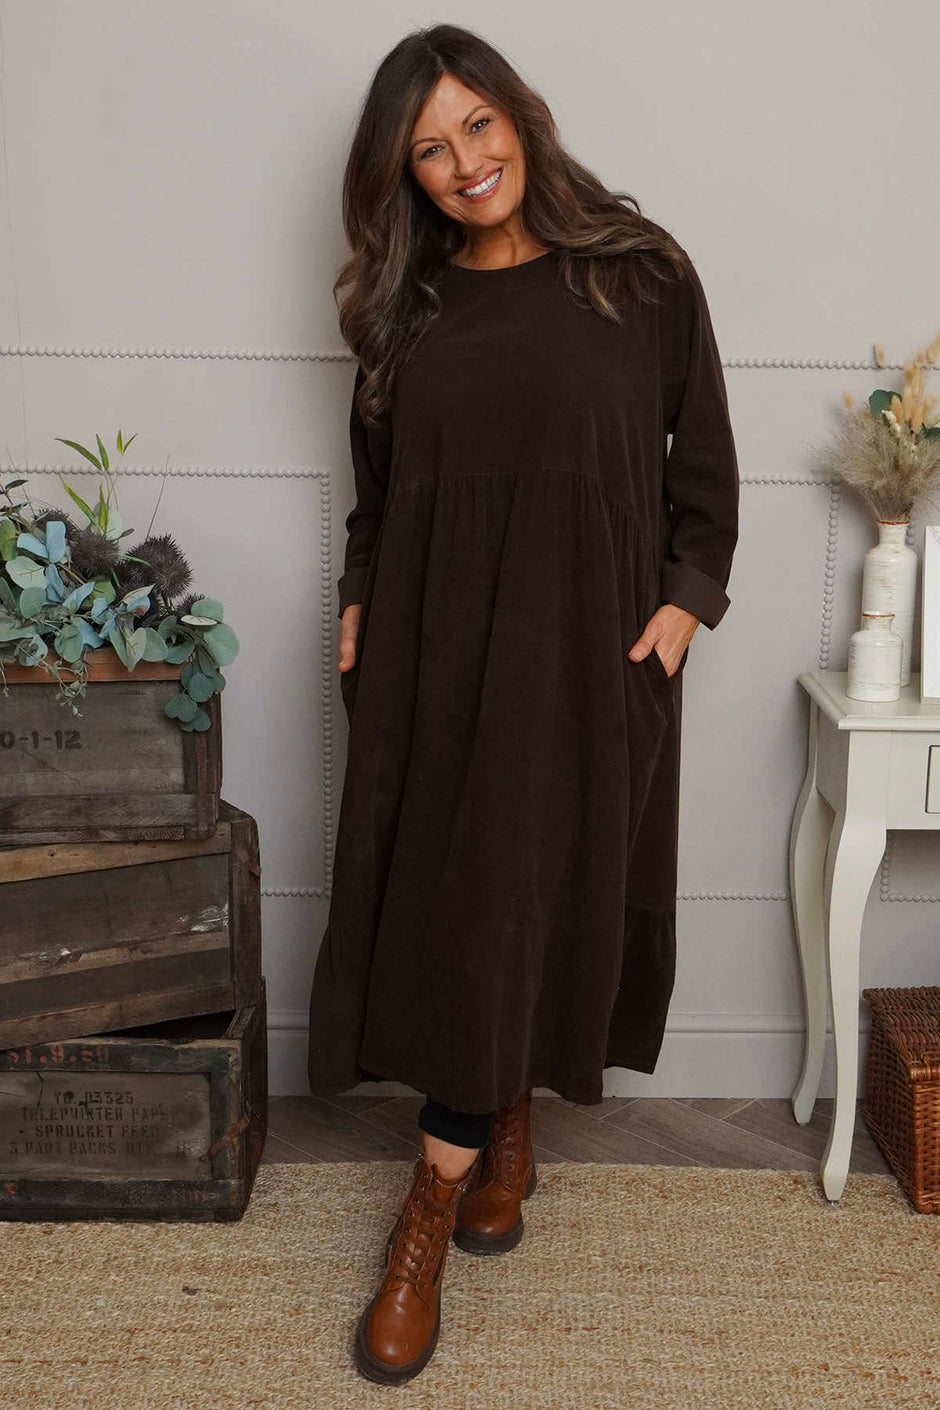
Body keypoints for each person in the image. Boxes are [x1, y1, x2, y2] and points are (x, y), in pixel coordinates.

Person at [307, 22, 740, 1387]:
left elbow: (705, 470)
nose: (463, 163)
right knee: (462, 906)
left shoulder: (641, 275)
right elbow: (379, 501)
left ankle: (430, 1208)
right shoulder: (408, 312)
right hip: (435, 655)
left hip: (589, 655)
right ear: (405, 175)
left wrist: (682, 608)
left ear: (521, 116)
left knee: (523, 896)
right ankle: (488, 1143)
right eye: (429, 150)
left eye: (476, 126)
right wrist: (359, 599)